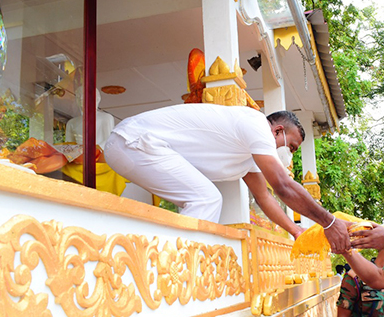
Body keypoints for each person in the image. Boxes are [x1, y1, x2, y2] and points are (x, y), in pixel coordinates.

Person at [103, 105, 349, 248]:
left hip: (134, 148)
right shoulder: (255, 125)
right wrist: (329, 222)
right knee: (206, 199)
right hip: (131, 142)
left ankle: (172, 260)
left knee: (203, 198)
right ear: (277, 130)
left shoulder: (251, 156)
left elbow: (266, 198)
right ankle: (175, 265)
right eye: (292, 147)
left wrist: (295, 232)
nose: (290, 157)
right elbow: (283, 186)